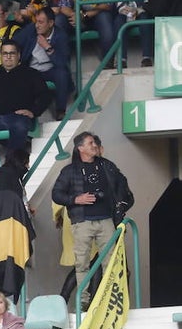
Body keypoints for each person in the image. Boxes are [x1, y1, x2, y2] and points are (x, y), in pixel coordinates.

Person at [51, 132, 133, 310]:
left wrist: (120, 207)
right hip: (82, 222)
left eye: (95, 142)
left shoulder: (106, 165)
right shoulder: (70, 170)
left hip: (106, 220)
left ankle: (111, 299)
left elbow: (122, 186)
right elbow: (56, 194)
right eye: (90, 143)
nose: (94, 145)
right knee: (82, 264)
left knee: (112, 261)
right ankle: (84, 302)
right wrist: (76, 199)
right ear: (80, 148)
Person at [0, 39, 53, 150]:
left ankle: (13, 163)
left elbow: (45, 95)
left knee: (19, 126)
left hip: (19, 117)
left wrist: (34, 111)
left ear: (19, 55)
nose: (8, 56)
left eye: (12, 53)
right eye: (5, 53)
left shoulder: (31, 74)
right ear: (0, 55)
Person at [16, 7, 72, 120]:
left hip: (51, 69)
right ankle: (23, 114)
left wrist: (47, 46)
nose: (37, 25)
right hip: (32, 70)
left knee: (61, 74)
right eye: (36, 21)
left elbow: (61, 63)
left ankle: (60, 110)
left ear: (50, 23)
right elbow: (15, 41)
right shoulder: (31, 29)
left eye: (41, 22)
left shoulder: (61, 36)